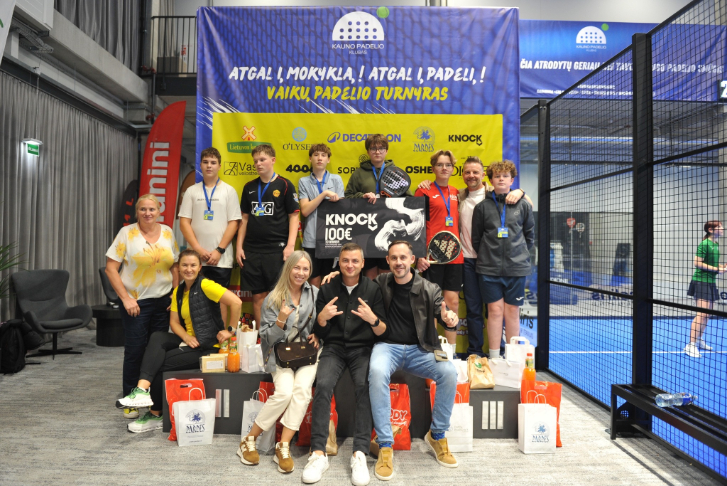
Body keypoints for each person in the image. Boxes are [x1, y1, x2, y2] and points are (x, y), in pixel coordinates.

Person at [346, 240, 460, 481]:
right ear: (387, 261)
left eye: (403, 257)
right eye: (394, 258)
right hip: (387, 347)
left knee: (449, 373)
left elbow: (442, 310)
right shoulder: (381, 282)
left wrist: (449, 318)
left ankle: (437, 435)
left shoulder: (429, 288)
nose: (399, 262)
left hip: (421, 349)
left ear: (412, 260)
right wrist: (337, 275)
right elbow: (354, 282)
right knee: (377, 372)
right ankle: (385, 445)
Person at [116, 249, 242, 432]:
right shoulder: (178, 291)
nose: (188, 269)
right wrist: (186, 337)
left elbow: (236, 302)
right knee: (157, 337)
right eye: (184, 265)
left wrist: (230, 330)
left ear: (199, 267)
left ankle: (156, 414)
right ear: (179, 269)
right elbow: (174, 323)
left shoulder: (206, 285)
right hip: (191, 341)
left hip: (207, 346)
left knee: (158, 363)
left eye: (193, 265)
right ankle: (141, 390)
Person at [418, 156, 530, 355]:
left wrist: (521, 191)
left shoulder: (495, 193)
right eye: (467, 172)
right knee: (474, 309)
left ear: (483, 175)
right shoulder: (458, 195)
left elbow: (526, 206)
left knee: (497, 310)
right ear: (462, 175)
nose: (471, 176)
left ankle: (501, 351)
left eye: (475, 172)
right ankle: (475, 351)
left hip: (492, 262)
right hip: (467, 260)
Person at [302, 243, 387, 486]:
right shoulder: (328, 287)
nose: (350, 265)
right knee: (323, 385)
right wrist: (321, 319)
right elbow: (319, 331)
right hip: (334, 348)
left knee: (364, 387)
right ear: (338, 263)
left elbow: (382, 330)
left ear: (362, 263)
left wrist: (373, 319)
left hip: (362, 349)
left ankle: (359, 453)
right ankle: (318, 453)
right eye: (345, 261)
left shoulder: (373, 288)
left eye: (355, 261)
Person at [238, 251, 320, 475]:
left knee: (302, 391)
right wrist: (281, 320)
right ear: (288, 268)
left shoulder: (315, 293)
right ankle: (248, 440)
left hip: (307, 354)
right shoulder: (273, 298)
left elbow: (322, 323)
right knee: (284, 393)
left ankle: (282, 446)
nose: (301, 273)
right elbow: (267, 338)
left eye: (305, 269)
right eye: (296, 268)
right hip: (280, 353)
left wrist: (319, 334)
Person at [105, 194, 179, 420]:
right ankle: (131, 397)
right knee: (135, 350)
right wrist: (126, 298)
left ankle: (152, 396)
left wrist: (175, 295)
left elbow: (175, 266)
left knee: (156, 351)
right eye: (143, 209)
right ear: (137, 212)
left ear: (159, 211)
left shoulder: (168, 232)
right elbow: (110, 268)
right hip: (136, 303)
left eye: (152, 209)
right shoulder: (126, 233)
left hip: (163, 302)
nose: (148, 213)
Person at [471, 161, 534, 359]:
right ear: (490, 180)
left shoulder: (523, 205)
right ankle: (495, 357)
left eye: (505, 176)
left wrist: (517, 255)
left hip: (516, 268)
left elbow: (529, 236)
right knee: (495, 311)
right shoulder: (482, 207)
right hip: (489, 270)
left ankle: (513, 357)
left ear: (512, 180)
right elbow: (476, 239)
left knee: (512, 311)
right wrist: (489, 256)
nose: (501, 179)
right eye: (497, 176)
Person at [236, 144, 300, 328]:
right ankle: (262, 335)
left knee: (279, 296)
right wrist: (239, 247)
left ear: (273, 160)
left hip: (277, 250)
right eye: (255, 161)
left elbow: (294, 216)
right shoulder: (249, 187)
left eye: (262, 159)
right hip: (252, 250)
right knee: (258, 296)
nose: (258, 163)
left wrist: (290, 246)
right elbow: (244, 219)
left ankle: (280, 335)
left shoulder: (285, 185)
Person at [179, 147, 242, 326]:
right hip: (195, 259)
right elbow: (184, 223)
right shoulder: (192, 191)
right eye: (205, 162)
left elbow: (234, 223)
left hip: (220, 259)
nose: (209, 166)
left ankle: (220, 337)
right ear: (200, 165)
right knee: (195, 300)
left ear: (219, 166)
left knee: (220, 300)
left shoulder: (229, 191)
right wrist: (198, 250)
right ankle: (196, 336)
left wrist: (219, 250)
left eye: (213, 163)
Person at [414, 150, 464, 345]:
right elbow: (415, 226)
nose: (444, 168)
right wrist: (419, 255)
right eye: (440, 164)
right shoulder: (423, 191)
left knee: (452, 303)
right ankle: (432, 349)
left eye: (448, 165)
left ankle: (451, 351)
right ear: (433, 168)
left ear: (453, 168)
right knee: (431, 305)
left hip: (455, 257)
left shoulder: (457, 192)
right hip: (431, 258)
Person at [344, 134, 410, 279]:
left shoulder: (396, 172)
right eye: (373, 148)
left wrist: (393, 199)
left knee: (387, 276)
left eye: (381, 148)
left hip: (390, 230)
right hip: (366, 230)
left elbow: (409, 200)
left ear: (386, 151)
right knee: (370, 276)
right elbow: (347, 197)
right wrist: (362, 196)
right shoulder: (359, 173)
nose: (377, 151)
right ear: (368, 151)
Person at [298, 143, 345, 288]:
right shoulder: (304, 181)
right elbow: (305, 210)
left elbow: (342, 210)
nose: (319, 158)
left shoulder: (336, 179)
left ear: (328, 160)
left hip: (332, 238)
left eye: (323, 155)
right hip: (312, 239)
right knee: (314, 280)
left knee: (331, 280)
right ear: (310, 158)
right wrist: (324, 194)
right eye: (316, 155)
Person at [685, 220, 725, 358]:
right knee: (701, 314)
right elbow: (697, 263)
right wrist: (717, 269)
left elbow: (711, 263)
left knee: (708, 314)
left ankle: (699, 340)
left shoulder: (715, 244)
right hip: (701, 281)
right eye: (720, 227)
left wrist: (721, 267)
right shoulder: (705, 244)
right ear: (711, 230)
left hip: (711, 282)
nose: (722, 228)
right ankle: (691, 345)